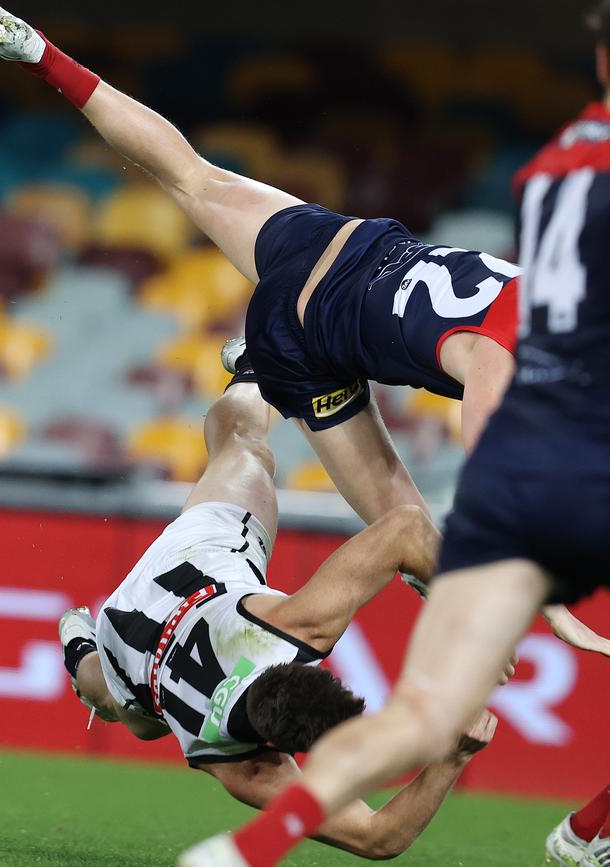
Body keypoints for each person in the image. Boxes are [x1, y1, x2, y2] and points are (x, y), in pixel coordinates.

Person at [0, 0, 608, 658]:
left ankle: (40, 54)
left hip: (341, 245)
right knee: (405, 523)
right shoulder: (514, 358)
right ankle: (257, 370)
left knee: (191, 176)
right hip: (311, 341)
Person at [176, 3, 610, 864]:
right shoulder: (534, 325)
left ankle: (247, 849)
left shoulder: (558, 183)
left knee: (420, 706)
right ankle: (584, 832)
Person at [58, 372, 499, 862]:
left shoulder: (299, 630)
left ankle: (252, 375)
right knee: (131, 711)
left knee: (244, 450)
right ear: (274, 746)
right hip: (132, 646)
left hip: (185, 573)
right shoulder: (247, 769)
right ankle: (80, 652)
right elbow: (377, 838)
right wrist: (452, 758)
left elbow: (407, 528)